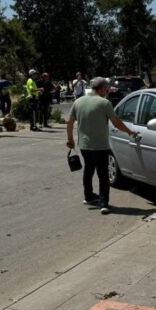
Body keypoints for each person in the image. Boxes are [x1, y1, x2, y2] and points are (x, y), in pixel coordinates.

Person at [66, 77, 139, 215]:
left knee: (88, 171)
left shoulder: (78, 101)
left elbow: (69, 123)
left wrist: (70, 140)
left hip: (84, 146)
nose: (107, 91)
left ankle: (88, 197)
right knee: (103, 175)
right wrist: (130, 132)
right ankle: (104, 203)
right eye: (106, 89)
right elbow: (116, 123)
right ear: (100, 89)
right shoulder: (104, 103)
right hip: (100, 146)